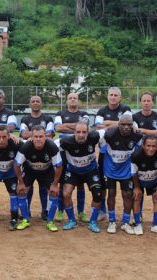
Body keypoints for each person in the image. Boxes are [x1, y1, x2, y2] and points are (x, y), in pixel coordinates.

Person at [56, 122, 104, 233]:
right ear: (74, 133)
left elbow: (108, 131)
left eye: (84, 132)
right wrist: (29, 141)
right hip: (73, 171)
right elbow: (48, 143)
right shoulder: (65, 142)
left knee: (98, 194)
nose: (81, 135)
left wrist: (133, 128)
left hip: (91, 171)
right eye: (78, 132)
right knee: (66, 193)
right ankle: (72, 221)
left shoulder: (95, 136)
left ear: (88, 132)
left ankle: (92, 222)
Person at [14, 125, 63, 232]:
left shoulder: (52, 146)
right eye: (35, 137)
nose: (38, 139)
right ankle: (26, 219)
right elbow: (16, 164)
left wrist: (55, 184)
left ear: (45, 136)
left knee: (53, 192)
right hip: (30, 171)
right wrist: (21, 183)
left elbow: (59, 166)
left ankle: (50, 221)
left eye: (41, 136)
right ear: (31, 137)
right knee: (22, 191)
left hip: (47, 171)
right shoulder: (26, 147)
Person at [95, 87, 132, 220]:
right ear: (107, 97)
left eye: (116, 95)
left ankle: (128, 215)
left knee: (127, 188)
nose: (113, 97)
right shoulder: (101, 111)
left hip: (122, 151)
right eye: (111, 95)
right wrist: (118, 124)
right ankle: (103, 211)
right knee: (104, 185)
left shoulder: (126, 108)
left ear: (120, 97)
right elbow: (98, 127)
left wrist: (109, 123)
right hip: (105, 152)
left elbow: (129, 123)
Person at [103, 114, 143, 234]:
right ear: (119, 124)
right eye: (123, 124)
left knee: (127, 194)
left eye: (129, 124)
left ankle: (125, 222)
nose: (126, 127)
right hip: (110, 169)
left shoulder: (137, 136)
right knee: (111, 193)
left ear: (132, 125)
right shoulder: (109, 134)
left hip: (126, 170)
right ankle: (112, 221)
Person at [54, 92, 89, 223]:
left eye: (75, 98)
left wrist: (67, 126)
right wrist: (76, 126)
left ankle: (80, 212)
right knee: (63, 181)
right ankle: (61, 210)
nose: (73, 100)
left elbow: (85, 127)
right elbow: (58, 128)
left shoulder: (84, 114)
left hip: (79, 149)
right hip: (63, 150)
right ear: (67, 101)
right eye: (70, 98)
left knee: (80, 183)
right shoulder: (60, 113)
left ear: (78, 100)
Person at [132, 91, 157, 225]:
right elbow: (135, 131)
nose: (146, 103)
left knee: (156, 185)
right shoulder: (134, 116)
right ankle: (138, 215)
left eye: (148, 100)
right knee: (138, 186)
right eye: (144, 101)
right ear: (141, 102)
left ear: (152, 102)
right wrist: (153, 132)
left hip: (154, 154)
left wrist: (143, 131)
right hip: (140, 155)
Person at [20, 95, 54, 220]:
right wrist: (40, 134)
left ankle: (44, 210)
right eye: (33, 101)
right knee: (28, 186)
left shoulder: (48, 118)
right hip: (29, 157)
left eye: (37, 101)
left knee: (44, 187)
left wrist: (32, 135)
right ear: (30, 104)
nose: (35, 103)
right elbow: (23, 134)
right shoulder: (25, 118)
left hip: (44, 157)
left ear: (41, 104)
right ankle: (27, 210)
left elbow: (49, 134)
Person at [131, 135, 157, 236]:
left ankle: (155, 225)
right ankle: (137, 224)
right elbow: (133, 173)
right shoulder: (136, 156)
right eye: (148, 145)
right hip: (139, 181)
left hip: (154, 181)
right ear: (143, 145)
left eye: (153, 146)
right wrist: (137, 188)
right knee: (137, 197)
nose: (151, 149)